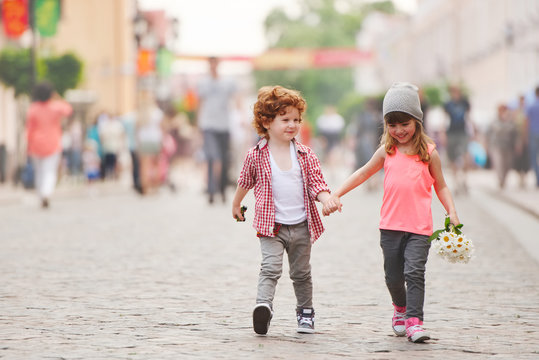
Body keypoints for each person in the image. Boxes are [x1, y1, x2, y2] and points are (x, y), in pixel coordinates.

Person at [323, 83, 460, 343]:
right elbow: (362, 172)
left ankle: (414, 322)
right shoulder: (387, 151)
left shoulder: (429, 153)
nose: (398, 131)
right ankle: (400, 307)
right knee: (393, 277)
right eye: (392, 125)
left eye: (404, 124)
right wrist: (336, 194)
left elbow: (440, 185)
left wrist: (451, 210)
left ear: (417, 121)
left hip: (419, 228)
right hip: (390, 227)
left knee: (414, 273)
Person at [231, 86, 332, 335]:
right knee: (270, 268)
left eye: (296, 120)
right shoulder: (255, 155)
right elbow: (245, 181)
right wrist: (236, 204)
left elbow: (316, 183)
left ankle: (305, 312)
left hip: (301, 225)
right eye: (285, 119)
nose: (292, 125)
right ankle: (263, 306)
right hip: (271, 226)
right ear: (266, 122)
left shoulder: (305, 154)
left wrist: (326, 198)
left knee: (301, 273)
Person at [197, 56, 238, 204]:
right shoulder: (203, 83)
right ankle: (211, 190)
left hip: (224, 125)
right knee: (212, 157)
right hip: (208, 125)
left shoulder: (227, 82)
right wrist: (198, 125)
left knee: (224, 159)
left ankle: (222, 189)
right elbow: (200, 103)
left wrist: (241, 119)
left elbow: (236, 99)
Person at [26, 81, 73, 208]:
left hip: (36, 144)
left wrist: (28, 144)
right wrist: (57, 97)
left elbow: (29, 129)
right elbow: (68, 109)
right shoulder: (55, 107)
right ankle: (46, 193)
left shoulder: (33, 109)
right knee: (49, 171)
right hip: (52, 143)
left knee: (39, 172)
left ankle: (41, 195)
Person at [443, 85, 472, 193]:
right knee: (452, 158)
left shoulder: (464, 102)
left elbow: (468, 116)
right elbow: (445, 118)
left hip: (462, 132)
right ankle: (455, 182)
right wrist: (443, 133)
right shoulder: (448, 104)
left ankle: (465, 180)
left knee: (465, 156)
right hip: (451, 132)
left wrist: (473, 130)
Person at [487, 104, 517, 189]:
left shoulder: (510, 121)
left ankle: (504, 179)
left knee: (507, 164)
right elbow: (491, 131)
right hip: (496, 145)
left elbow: (514, 131)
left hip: (508, 146)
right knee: (498, 163)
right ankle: (501, 180)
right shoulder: (494, 121)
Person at [512, 95, 529, 187]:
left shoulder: (527, 111)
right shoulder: (516, 112)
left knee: (525, 158)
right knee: (518, 158)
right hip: (518, 138)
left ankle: (524, 177)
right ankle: (520, 177)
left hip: (525, 137)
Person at [526, 86, 539, 187]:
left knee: (534, 158)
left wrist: (524, 136)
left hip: (533, 134)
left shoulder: (531, 106)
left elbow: (527, 122)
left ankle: (538, 179)